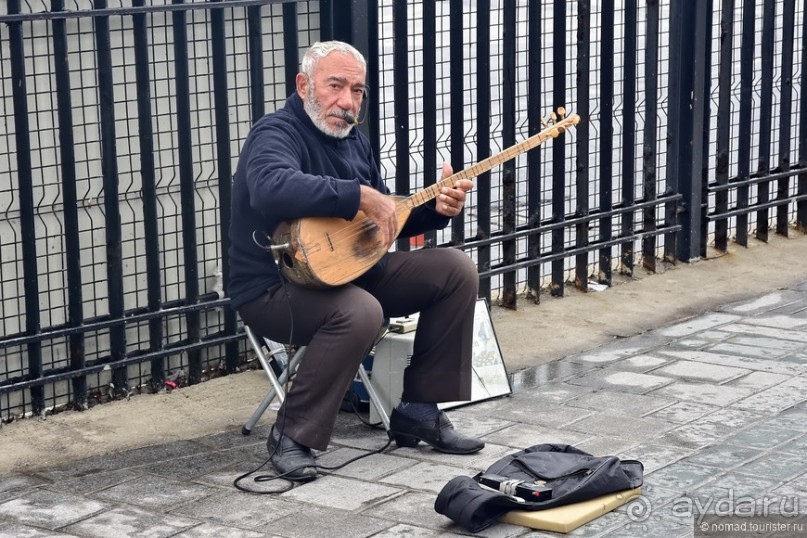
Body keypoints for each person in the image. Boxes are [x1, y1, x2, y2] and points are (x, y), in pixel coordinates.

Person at [228, 40, 483, 482]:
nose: (347, 102)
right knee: (360, 311)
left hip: (350, 274)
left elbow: (375, 225)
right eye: (336, 86)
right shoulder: (275, 133)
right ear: (304, 85)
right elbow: (271, 187)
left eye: (358, 91)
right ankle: (292, 435)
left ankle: (420, 409)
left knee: (455, 270)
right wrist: (360, 194)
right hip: (273, 289)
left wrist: (434, 209)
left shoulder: (353, 140)